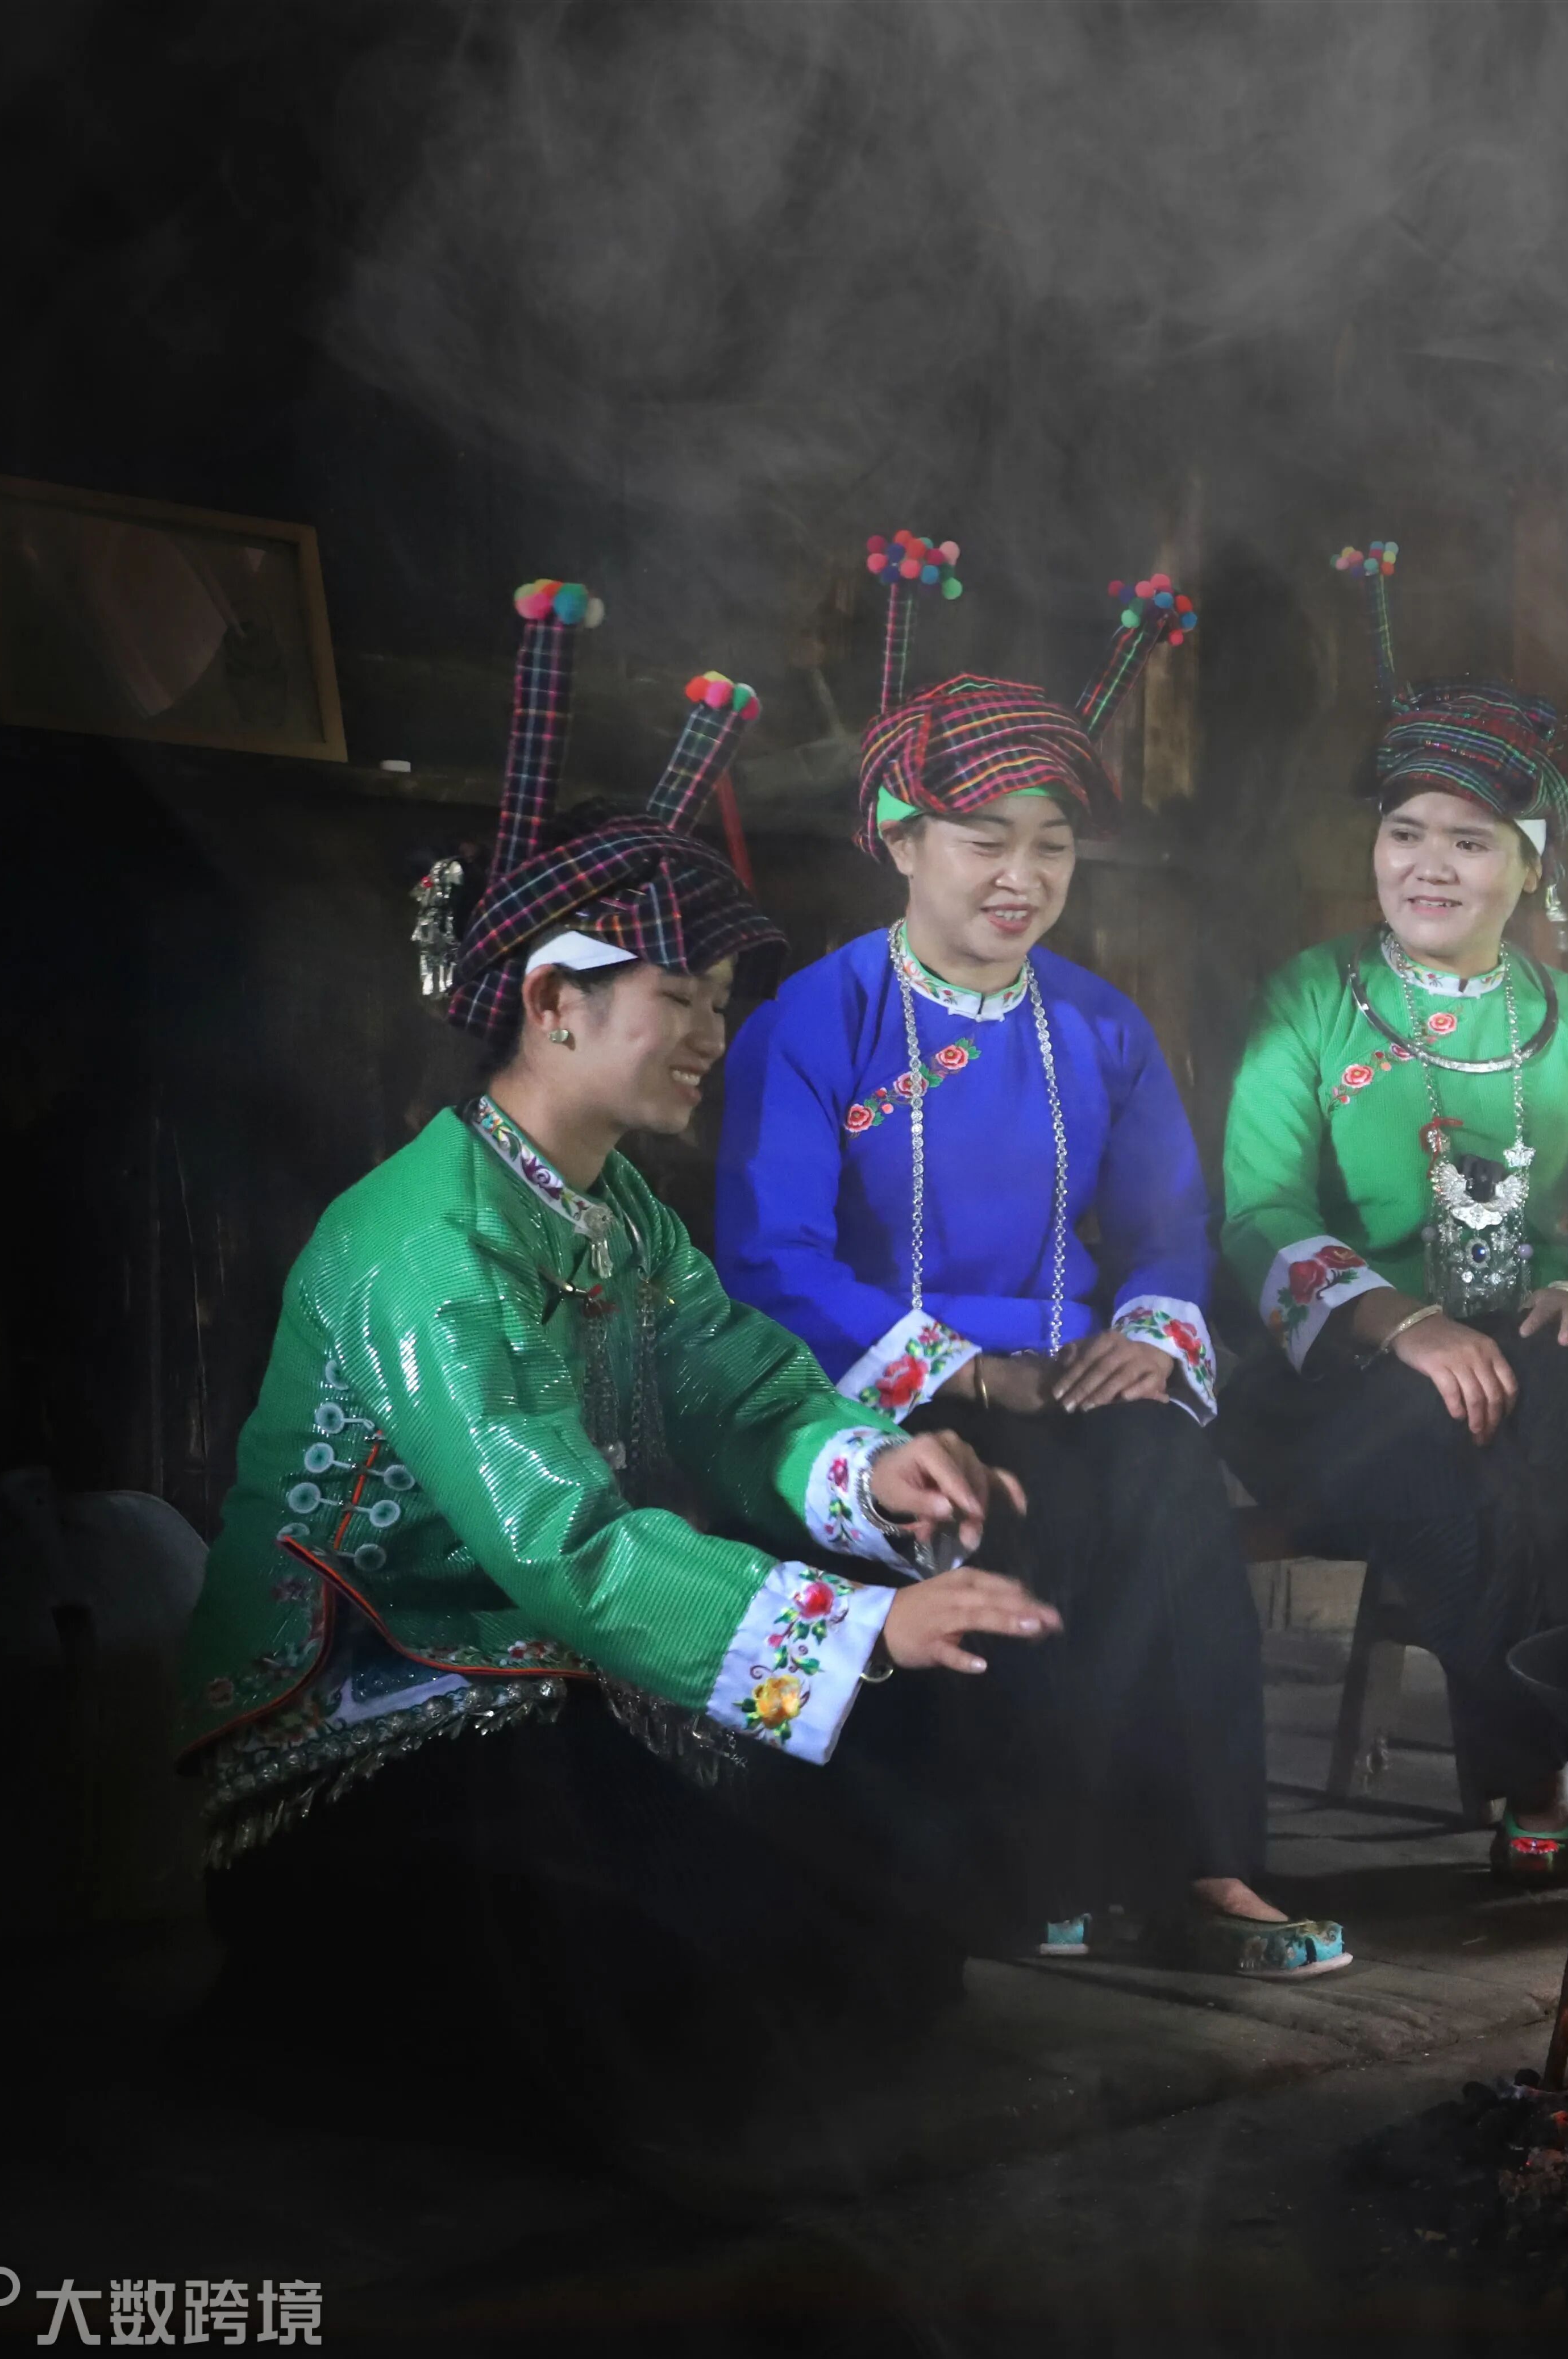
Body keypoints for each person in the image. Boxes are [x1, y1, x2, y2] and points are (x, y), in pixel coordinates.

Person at [178, 581, 1060, 2148]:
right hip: (370, 1723)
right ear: (553, 1003)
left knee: (844, 1898)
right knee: (681, 1987)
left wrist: (875, 1473)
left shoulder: (617, 1208)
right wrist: (864, 1628)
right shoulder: (425, 1244)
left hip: (546, 1675)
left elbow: (741, 1392)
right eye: (679, 1000)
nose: (713, 1034)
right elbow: (562, 1545)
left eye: (721, 1003)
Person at [717, 535, 1342, 1979]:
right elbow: (772, 1259)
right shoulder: (812, 1025)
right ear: (901, 840)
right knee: (999, 1501)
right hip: (888, 1390)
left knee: (1165, 1476)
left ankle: (1204, 1867)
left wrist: (1148, 1333)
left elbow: (1169, 1224)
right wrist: (967, 1374)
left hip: (1070, 1368)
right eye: (983, 838)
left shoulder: (1101, 1024)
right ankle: (1032, 1871)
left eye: (1050, 843)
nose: (1022, 875)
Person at [1215, 540, 1568, 1904]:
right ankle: (1547, 1782)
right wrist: (1402, 1323)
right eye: (1406, 832)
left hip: (1514, 1367)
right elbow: (1260, 1205)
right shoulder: (1312, 998)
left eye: (1470, 842)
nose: (1429, 866)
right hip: (1326, 1385)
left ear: (1530, 870)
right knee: (1442, 1437)